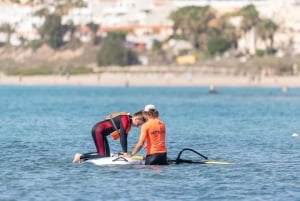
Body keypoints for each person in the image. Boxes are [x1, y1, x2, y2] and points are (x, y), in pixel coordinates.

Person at [73, 110, 146, 163]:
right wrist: (125, 153)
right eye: (139, 124)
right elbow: (122, 136)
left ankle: (82, 158)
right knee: (103, 155)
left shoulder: (127, 121)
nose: (138, 126)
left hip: (99, 131)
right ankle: (81, 157)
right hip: (98, 131)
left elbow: (124, 137)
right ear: (136, 119)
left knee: (104, 154)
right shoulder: (126, 119)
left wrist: (125, 152)